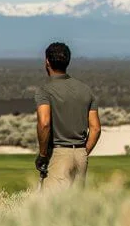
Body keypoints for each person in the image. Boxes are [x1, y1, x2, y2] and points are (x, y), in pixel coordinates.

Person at [34, 42, 100, 191]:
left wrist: (43, 155)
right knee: (75, 208)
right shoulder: (86, 90)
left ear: (47, 62)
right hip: (80, 155)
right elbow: (95, 128)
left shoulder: (45, 90)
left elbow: (44, 123)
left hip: (58, 154)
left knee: (54, 208)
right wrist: (83, 151)